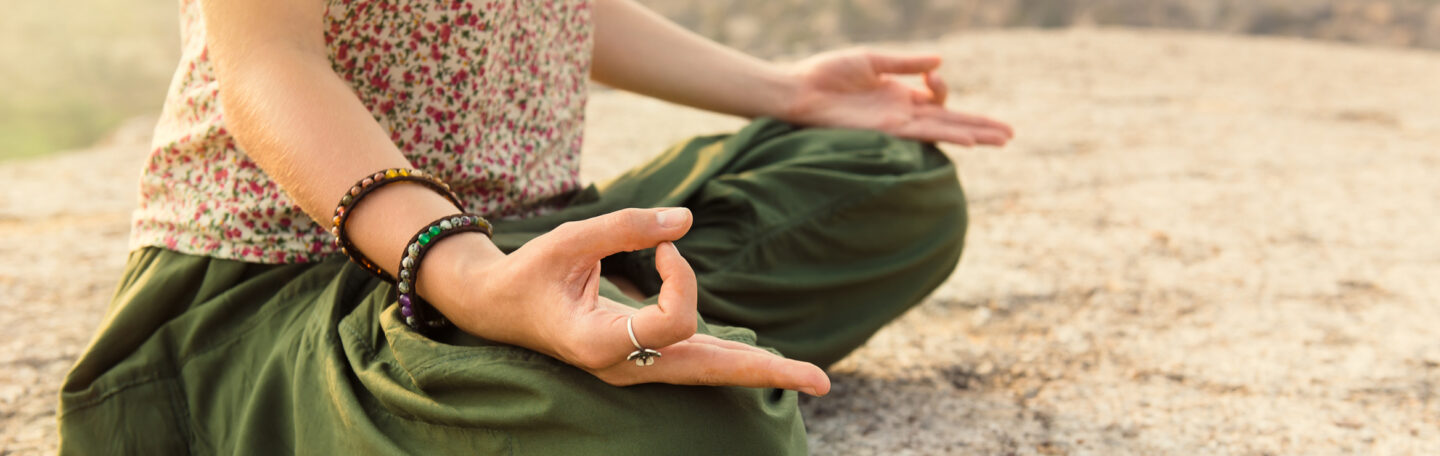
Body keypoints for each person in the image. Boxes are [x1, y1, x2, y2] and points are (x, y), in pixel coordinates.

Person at [57, 0, 1013, 454]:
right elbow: (268, 61)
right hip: (288, 278)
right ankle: (521, 363)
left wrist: (785, 91)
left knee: (889, 183)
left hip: (519, 231)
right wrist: (463, 274)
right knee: (715, 438)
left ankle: (558, 343)